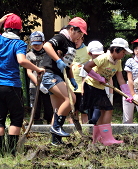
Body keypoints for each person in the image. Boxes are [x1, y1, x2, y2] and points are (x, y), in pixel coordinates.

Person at [0, 14, 45, 156]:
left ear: (6, 27)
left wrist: (2, 19)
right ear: (19, 30)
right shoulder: (19, 44)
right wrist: (37, 69)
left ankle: (0, 153)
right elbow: (21, 61)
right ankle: (12, 152)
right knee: (16, 117)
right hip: (11, 85)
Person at [41, 17, 87, 146]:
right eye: (79, 33)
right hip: (50, 75)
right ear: (72, 29)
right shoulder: (61, 38)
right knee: (71, 98)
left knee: (58, 109)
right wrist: (57, 60)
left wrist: (72, 78)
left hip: (60, 76)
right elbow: (46, 46)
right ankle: (56, 127)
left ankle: (55, 140)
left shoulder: (71, 44)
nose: (80, 37)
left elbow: (68, 64)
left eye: (82, 34)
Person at [83, 38, 133, 146]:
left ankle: (97, 138)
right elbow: (87, 67)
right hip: (91, 86)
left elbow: (120, 78)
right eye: (123, 52)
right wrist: (98, 77)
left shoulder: (118, 62)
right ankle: (107, 138)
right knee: (108, 109)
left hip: (100, 88)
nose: (123, 55)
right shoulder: (103, 58)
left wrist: (127, 94)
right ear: (115, 50)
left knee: (102, 111)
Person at [79, 41, 113, 125]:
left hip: (103, 93)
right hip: (91, 93)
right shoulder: (87, 65)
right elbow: (83, 80)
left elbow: (110, 79)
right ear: (90, 54)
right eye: (96, 55)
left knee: (99, 115)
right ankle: (92, 132)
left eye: (100, 55)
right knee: (92, 115)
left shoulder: (106, 63)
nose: (98, 57)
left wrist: (111, 94)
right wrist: (83, 94)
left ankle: (101, 132)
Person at [26, 31, 53, 124]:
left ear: (43, 42)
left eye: (39, 44)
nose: (37, 46)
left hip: (47, 84)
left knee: (48, 106)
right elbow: (29, 72)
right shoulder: (29, 55)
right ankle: (36, 126)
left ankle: (50, 124)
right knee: (35, 107)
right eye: (34, 44)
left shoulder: (48, 54)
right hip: (34, 85)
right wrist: (38, 84)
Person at [67, 36, 91, 124]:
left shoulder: (88, 50)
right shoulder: (69, 50)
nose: (76, 41)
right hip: (70, 85)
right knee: (73, 110)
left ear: (82, 39)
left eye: (78, 39)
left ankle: (85, 129)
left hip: (84, 86)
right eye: (75, 39)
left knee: (84, 110)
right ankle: (73, 129)